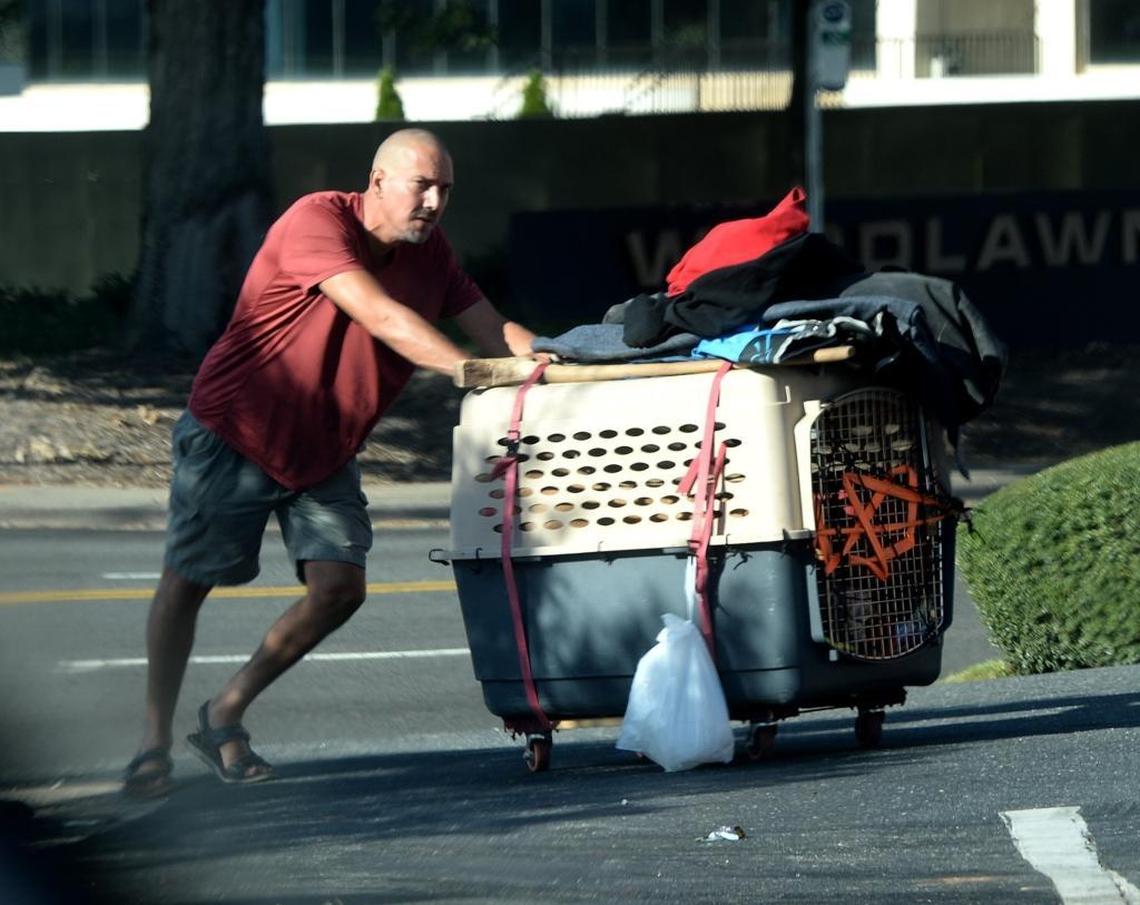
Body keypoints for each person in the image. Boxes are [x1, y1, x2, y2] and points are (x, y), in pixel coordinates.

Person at [123, 128, 539, 797]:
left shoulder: (431, 253)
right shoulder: (317, 220)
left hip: (325, 447)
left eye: (445, 190)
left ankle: (224, 710)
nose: (433, 203)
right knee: (189, 579)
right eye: (420, 186)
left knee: (340, 588)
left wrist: (548, 356)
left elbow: (496, 328)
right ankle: (152, 740)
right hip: (237, 429)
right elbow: (380, 315)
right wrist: (474, 369)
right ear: (377, 181)